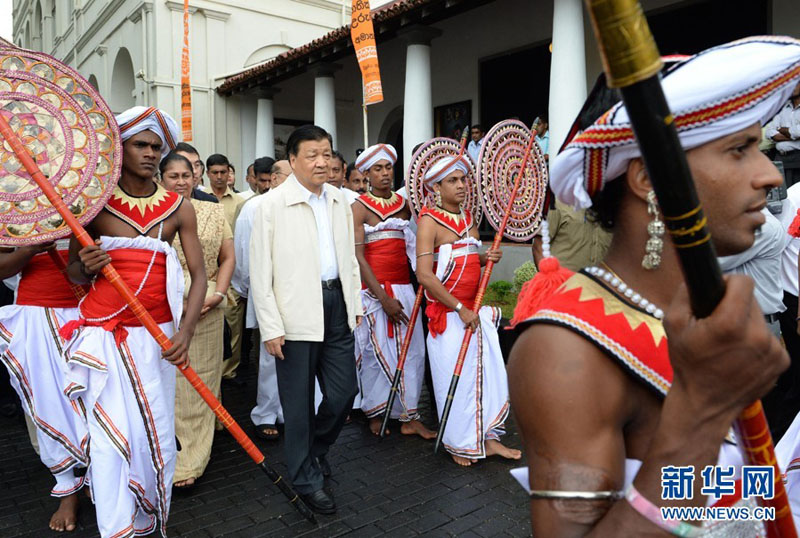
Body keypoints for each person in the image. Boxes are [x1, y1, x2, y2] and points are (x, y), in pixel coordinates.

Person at [508, 38, 798, 536]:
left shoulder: (709, 313)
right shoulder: (563, 350)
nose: (770, 174)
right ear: (649, 180)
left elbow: (736, 510)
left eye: (762, 147)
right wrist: (701, 415)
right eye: (739, 149)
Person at [60, 106, 207, 537]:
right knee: (108, 440)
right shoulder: (93, 206)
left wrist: (185, 332)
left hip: (158, 341)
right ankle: (115, 527)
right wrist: (86, 265)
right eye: (139, 145)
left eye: (155, 147)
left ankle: (146, 518)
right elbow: (72, 272)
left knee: (153, 436)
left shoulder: (179, 207)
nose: (148, 153)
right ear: (119, 150)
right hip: (104, 338)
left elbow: (199, 275)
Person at [250, 125, 362, 515]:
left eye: (327, 154)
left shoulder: (338, 201)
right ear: (292, 160)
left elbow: (348, 258)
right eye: (312, 155)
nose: (322, 162)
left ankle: (315, 451)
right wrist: (271, 326)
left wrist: (354, 305)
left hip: (335, 305)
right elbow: (260, 274)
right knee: (296, 406)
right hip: (294, 311)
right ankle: (304, 477)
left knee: (344, 393)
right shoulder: (270, 206)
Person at [415, 153, 521, 467]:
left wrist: (487, 257)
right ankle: (458, 443)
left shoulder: (467, 218)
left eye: (463, 179)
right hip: (449, 316)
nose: (461, 186)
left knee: (483, 377)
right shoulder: (428, 221)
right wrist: (459, 308)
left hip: (474, 313)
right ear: (437, 187)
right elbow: (424, 275)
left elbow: (470, 259)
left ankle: (488, 439)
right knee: (456, 382)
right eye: (453, 181)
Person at [0, 241, 89, 532]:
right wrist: (30, 249)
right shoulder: (14, 205)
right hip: (36, 315)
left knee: (97, 403)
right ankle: (67, 489)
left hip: (92, 310)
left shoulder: (92, 198)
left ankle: (100, 477)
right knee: (48, 404)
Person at [159, 152, 234, 489]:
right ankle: (168, 444)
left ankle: (192, 455)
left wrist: (218, 294)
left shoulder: (212, 211)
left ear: (195, 177)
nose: (180, 181)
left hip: (207, 307)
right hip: (162, 310)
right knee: (171, 385)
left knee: (199, 379)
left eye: (185, 175)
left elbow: (228, 257)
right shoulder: (151, 214)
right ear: (162, 179)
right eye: (172, 176)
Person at [352, 144, 435, 439]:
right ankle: (375, 411)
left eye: (388, 168)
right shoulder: (359, 207)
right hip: (374, 293)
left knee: (412, 352)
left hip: (405, 289)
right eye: (378, 169)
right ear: (366, 174)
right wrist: (383, 299)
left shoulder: (405, 204)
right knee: (375, 354)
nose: (385, 174)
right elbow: (358, 257)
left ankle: (408, 415)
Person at [766, 81, 800, 186]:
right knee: (784, 197)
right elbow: (770, 132)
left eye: (795, 85)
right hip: (782, 160)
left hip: (798, 159)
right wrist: (792, 135)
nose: (791, 88)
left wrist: (786, 131)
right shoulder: (784, 108)